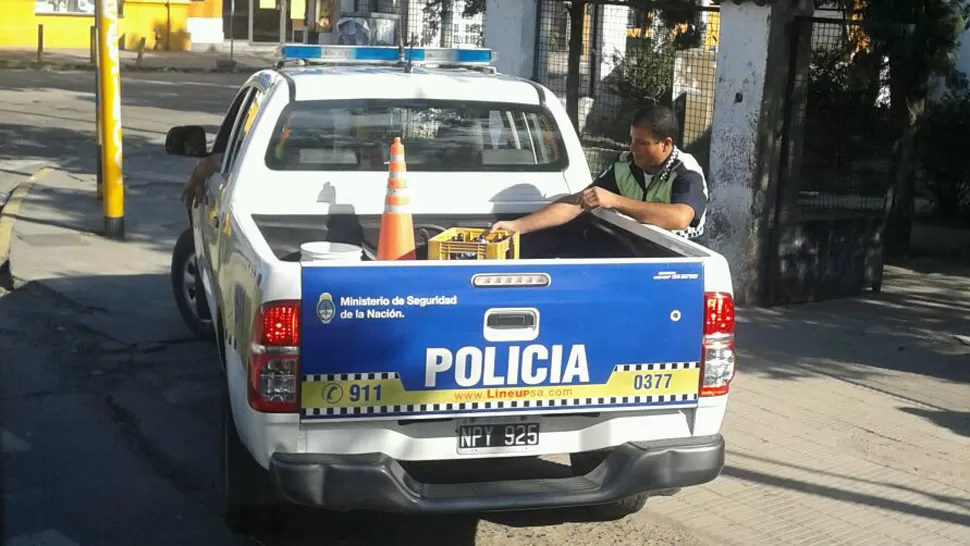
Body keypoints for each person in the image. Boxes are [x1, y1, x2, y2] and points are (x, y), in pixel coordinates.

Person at [489, 104, 709, 240]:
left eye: (642, 143)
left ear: (666, 144)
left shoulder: (686, 172)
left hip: (681, 266)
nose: (632, 148)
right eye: (632, 139)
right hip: (639, 254)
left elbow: (680, 217)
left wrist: (615, 200)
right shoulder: (625, 165)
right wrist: (517, 226)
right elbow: (578, 202)